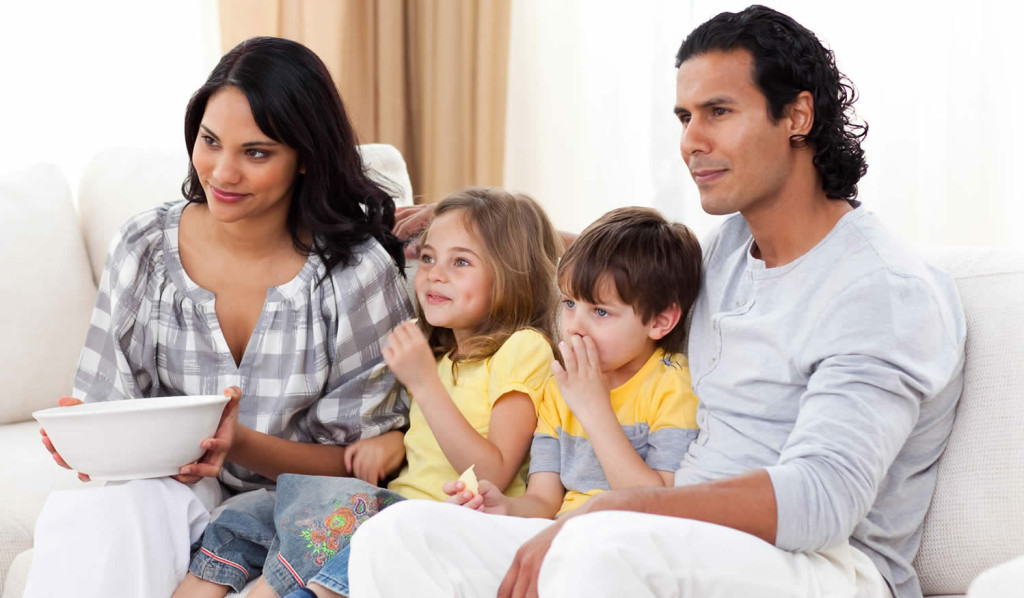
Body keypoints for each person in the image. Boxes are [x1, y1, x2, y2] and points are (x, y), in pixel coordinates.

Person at [346, 6, 967, 598]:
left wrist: (624, 508)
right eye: (684, 117)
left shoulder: (879, 290)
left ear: (797, 115)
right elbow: (628, 278)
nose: (690, 141)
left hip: (823, 566)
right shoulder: (731, 250)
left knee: (599, 550)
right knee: (396, 538)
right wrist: (489, 230)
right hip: (667, 537)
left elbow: (822, 502)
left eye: (718, 112)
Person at [26, 36, 412, 598]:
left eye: (256, 153)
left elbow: (362, 468)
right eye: (210, 141)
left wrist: (236, 443)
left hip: (304, 505)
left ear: (304, 158)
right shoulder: (144, 247)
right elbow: (110, 406)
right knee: (102, 511)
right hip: (175, 494)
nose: (221, 172)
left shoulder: (356, 273)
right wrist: (90, 444)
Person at [193, 187, 562, 598]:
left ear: (514, 273)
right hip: (393, 505)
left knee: (335, 518)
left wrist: (424, 384)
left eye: (461, 261)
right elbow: (430, 445)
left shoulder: (523, 348)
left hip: (443, 522)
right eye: (427, 257)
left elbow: (491, 473)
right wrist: (393, 442)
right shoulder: (439, 357)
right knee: (252, 512)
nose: (435, 274)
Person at [444, 206, 702, 521]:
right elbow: (542, 500)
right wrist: (504, 507)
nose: (574, 326)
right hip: (556, 533)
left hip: (621, 537)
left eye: (601, 312)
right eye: (569, 303)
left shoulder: (673, 386)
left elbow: (656, 506)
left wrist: (594, 408)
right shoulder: (559, 387)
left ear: (661, 321)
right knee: (404, 524)